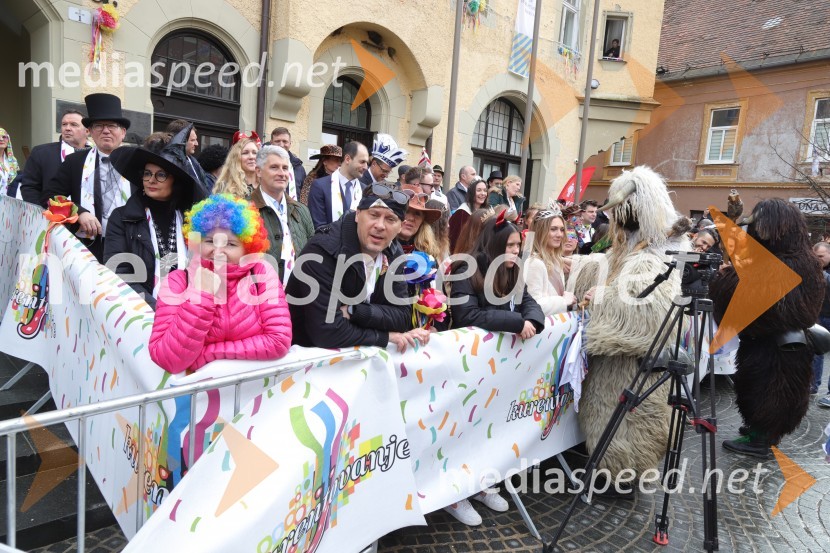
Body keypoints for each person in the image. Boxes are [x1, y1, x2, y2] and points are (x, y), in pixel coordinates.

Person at [446, 212, 545, 525]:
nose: (516, 251)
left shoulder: (512, 270)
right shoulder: (466, 269)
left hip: (498, 371)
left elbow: (529, 302)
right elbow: (467, 315)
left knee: (488, 429)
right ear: (494, 244)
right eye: (511, 246)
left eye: (518, 246)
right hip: (467, 367)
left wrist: (533, 320)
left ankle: (480, 483)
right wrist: (516, 323)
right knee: (463, 430)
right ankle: (455, 494)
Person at [711, 199, 824, 457]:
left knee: (772, 390)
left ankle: (761, 439)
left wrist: (725, 280)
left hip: (779, 346)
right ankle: (757, 429)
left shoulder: (793, 263)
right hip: (763, 342)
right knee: (754, 385)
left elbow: (764, 300)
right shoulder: (791, 260)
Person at [149, 194, 292, 373]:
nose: (218, 252)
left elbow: (279, 341)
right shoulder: (178, 282)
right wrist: (201, 297)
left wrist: (208, 356)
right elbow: (167, 359)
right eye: (209, 241)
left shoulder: (261, 273)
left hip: (255, 387)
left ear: (247, 248)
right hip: (201, 391)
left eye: (230, 244)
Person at [285, 183, 430, 351]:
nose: (380, 225)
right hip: (304, 356)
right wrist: (385, 337)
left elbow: (402, 317)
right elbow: (326, 331)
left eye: (390, 219)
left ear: (400, 226)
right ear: (358, 214)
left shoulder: (394, 252)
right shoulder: (322, 251)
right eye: (374, 215)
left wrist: (355, 311)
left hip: (356, 357)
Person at [105, 125, 206, 308]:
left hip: (189, 312)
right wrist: (157, 310)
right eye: (147, 173)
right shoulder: (122, 218)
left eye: (161, 175)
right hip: (141, 313)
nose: (151, 180)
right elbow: (119, 272)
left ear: (175, 181)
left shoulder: (191, 219)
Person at [42, 93, 133, 262]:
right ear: (90, 131)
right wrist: (80, 212)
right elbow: (51, 196)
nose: (106, 130)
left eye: (112, 125)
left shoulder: (137, 163)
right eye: (99, 126)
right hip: (89, 246)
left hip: (130, 245)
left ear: (123, 132)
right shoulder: (74, 162)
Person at [250, 145, 314, 282]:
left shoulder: (301, 210)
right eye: (274, 167)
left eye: (285, 168)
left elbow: (312, 254)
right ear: (258, 171)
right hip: (259, 290)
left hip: (298, 291)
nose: (282, 173)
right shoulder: (244, 209)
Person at [19, 110, 89, 205]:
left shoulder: (95, 155)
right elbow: (29, 187)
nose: (67, 128)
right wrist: (42, 210)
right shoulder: (41, 153)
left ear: (87, 131)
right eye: (64, 124)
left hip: (88, 212)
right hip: (49, 212)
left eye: (74, 125)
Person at [524, 207, 577, 315]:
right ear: (540, 232)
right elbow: (532, 306)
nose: (559, 234)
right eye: (553, 229)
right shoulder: (534, 263)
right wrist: (563, 301)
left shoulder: (557, 261)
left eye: (562, 230)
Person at [307, 141, 369, 229]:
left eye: (367, 163)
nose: (366, 167)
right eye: (362, 162)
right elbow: (318, 226)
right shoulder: (320, 186)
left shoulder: (366, 190)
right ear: (347, 159)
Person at [164, 119, 211, 197]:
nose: (197, 144)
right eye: (192, 140)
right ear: (180, 140)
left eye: (196, 140)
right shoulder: (167, 162)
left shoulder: (195, 163)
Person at [397, 183, 443, 257]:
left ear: (422, 220)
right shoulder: (382, 250)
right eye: (406, 211)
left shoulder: (428, 253)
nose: (411, 218)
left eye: (417, 214)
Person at [448, 177, 487, 252]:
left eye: (485, 190)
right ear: (472, 192)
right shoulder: (462, 213)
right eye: (479, 190)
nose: (483, 193)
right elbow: (455, 240)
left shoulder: (487, 210)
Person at [813, 242, 830, 404]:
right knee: (816, 352)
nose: (817, 260)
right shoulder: (815, 269)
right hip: (818, 316)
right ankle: (813, 385)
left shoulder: (823, 273)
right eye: (815, 257)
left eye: (821, 256)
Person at [270, 127, 307, 198]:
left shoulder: (299, 168)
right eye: (277, 141)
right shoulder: (264, 165)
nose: (281, 145)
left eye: (285, 141)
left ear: (290, 143)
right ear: (271, 143)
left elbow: (304, 195)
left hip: (295, 205)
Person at [0, 128, 20, 197]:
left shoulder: (13, 161)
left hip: (9, 200)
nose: (1, 139)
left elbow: (17, 182)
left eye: (4, 137)